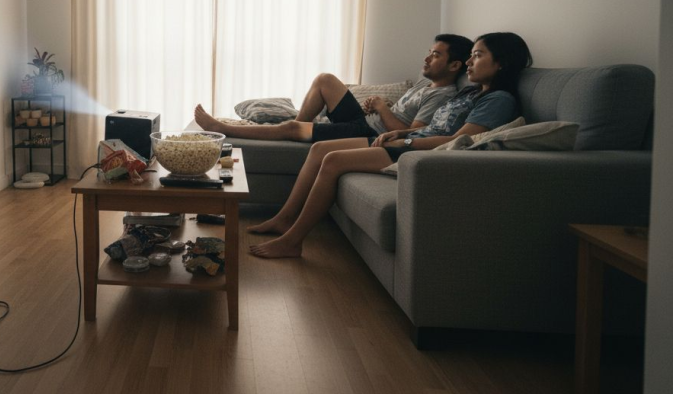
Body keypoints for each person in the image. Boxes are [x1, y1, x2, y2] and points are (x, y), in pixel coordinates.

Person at [248, 32, 533, 259]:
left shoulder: (498, 100)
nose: (470, 62)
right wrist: (402, 133)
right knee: (318, 149)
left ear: (501, 63)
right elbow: (431, 124)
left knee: (333, 159)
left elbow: (457, 140)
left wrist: (405, 138)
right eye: (470, 56)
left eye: (478, 55)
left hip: (420, 152)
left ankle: (293, 241)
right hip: (408, 141)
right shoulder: (471, 92)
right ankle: (284, 217)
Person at [193, 34, 474, 143]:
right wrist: (376, 107)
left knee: (291, 129)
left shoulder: (443, 94)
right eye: (430, 52)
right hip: (362, 122)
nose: (427, 58)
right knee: (325, 79)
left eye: (436, 55)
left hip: (368, 134)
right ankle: (298, 127)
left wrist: (381, 107)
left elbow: (413, 131)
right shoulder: (427, 84)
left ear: (454, 66)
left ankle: (226, 128)